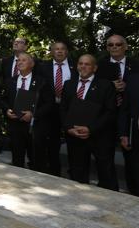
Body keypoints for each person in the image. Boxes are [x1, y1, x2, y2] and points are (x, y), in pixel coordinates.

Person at [61, 54, 118, 191]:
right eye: (80, 63)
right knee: (77, 175)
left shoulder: (106, 85)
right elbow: (63, 110)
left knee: (106, 175)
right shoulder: (69, 84)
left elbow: (110, 112)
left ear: (95, 68)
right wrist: (69, 128)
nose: (83, 66)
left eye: (87, 64)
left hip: (100, 138)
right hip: (75, 137)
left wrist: (91, 129)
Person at [97, 34, 139, 195]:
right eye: (110, 45)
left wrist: (128, 87)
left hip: (131, 119)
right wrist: (110, 86)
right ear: (107, 48)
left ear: (125, 46)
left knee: (132, 160)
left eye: (118, 44)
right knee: (104, 155)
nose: (114, 47)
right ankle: (110, 191)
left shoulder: (138, 65)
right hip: (106, 117)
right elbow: (94, 89)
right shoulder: (100, 66)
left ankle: (134, 192)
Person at [3, 52, 53, 170]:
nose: (19, 62)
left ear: (32, 64)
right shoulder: (10, 81)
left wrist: (33, 114)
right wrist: (7, 110)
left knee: (37, 160)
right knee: (17, 160)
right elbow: (3, 100)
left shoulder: (42, 82)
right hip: (15, 125)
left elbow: (49, 103)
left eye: (23, 60)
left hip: (34, 127)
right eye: (18, 60)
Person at [38, 41, 76, 176]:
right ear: (52, 52)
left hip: (70, 110)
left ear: (67, 51)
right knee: (52, 142)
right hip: (50, 110)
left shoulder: (76, 66)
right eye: (56, 49)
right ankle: (54, 172)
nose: (59, 51)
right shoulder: (43, 67)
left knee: (73, 143)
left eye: (62, 49)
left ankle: (75, 172)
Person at [118, 72, 139, 197]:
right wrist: (124, 134)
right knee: (136, 172)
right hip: (136, 134)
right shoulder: (135, 79)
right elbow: (125, 109)